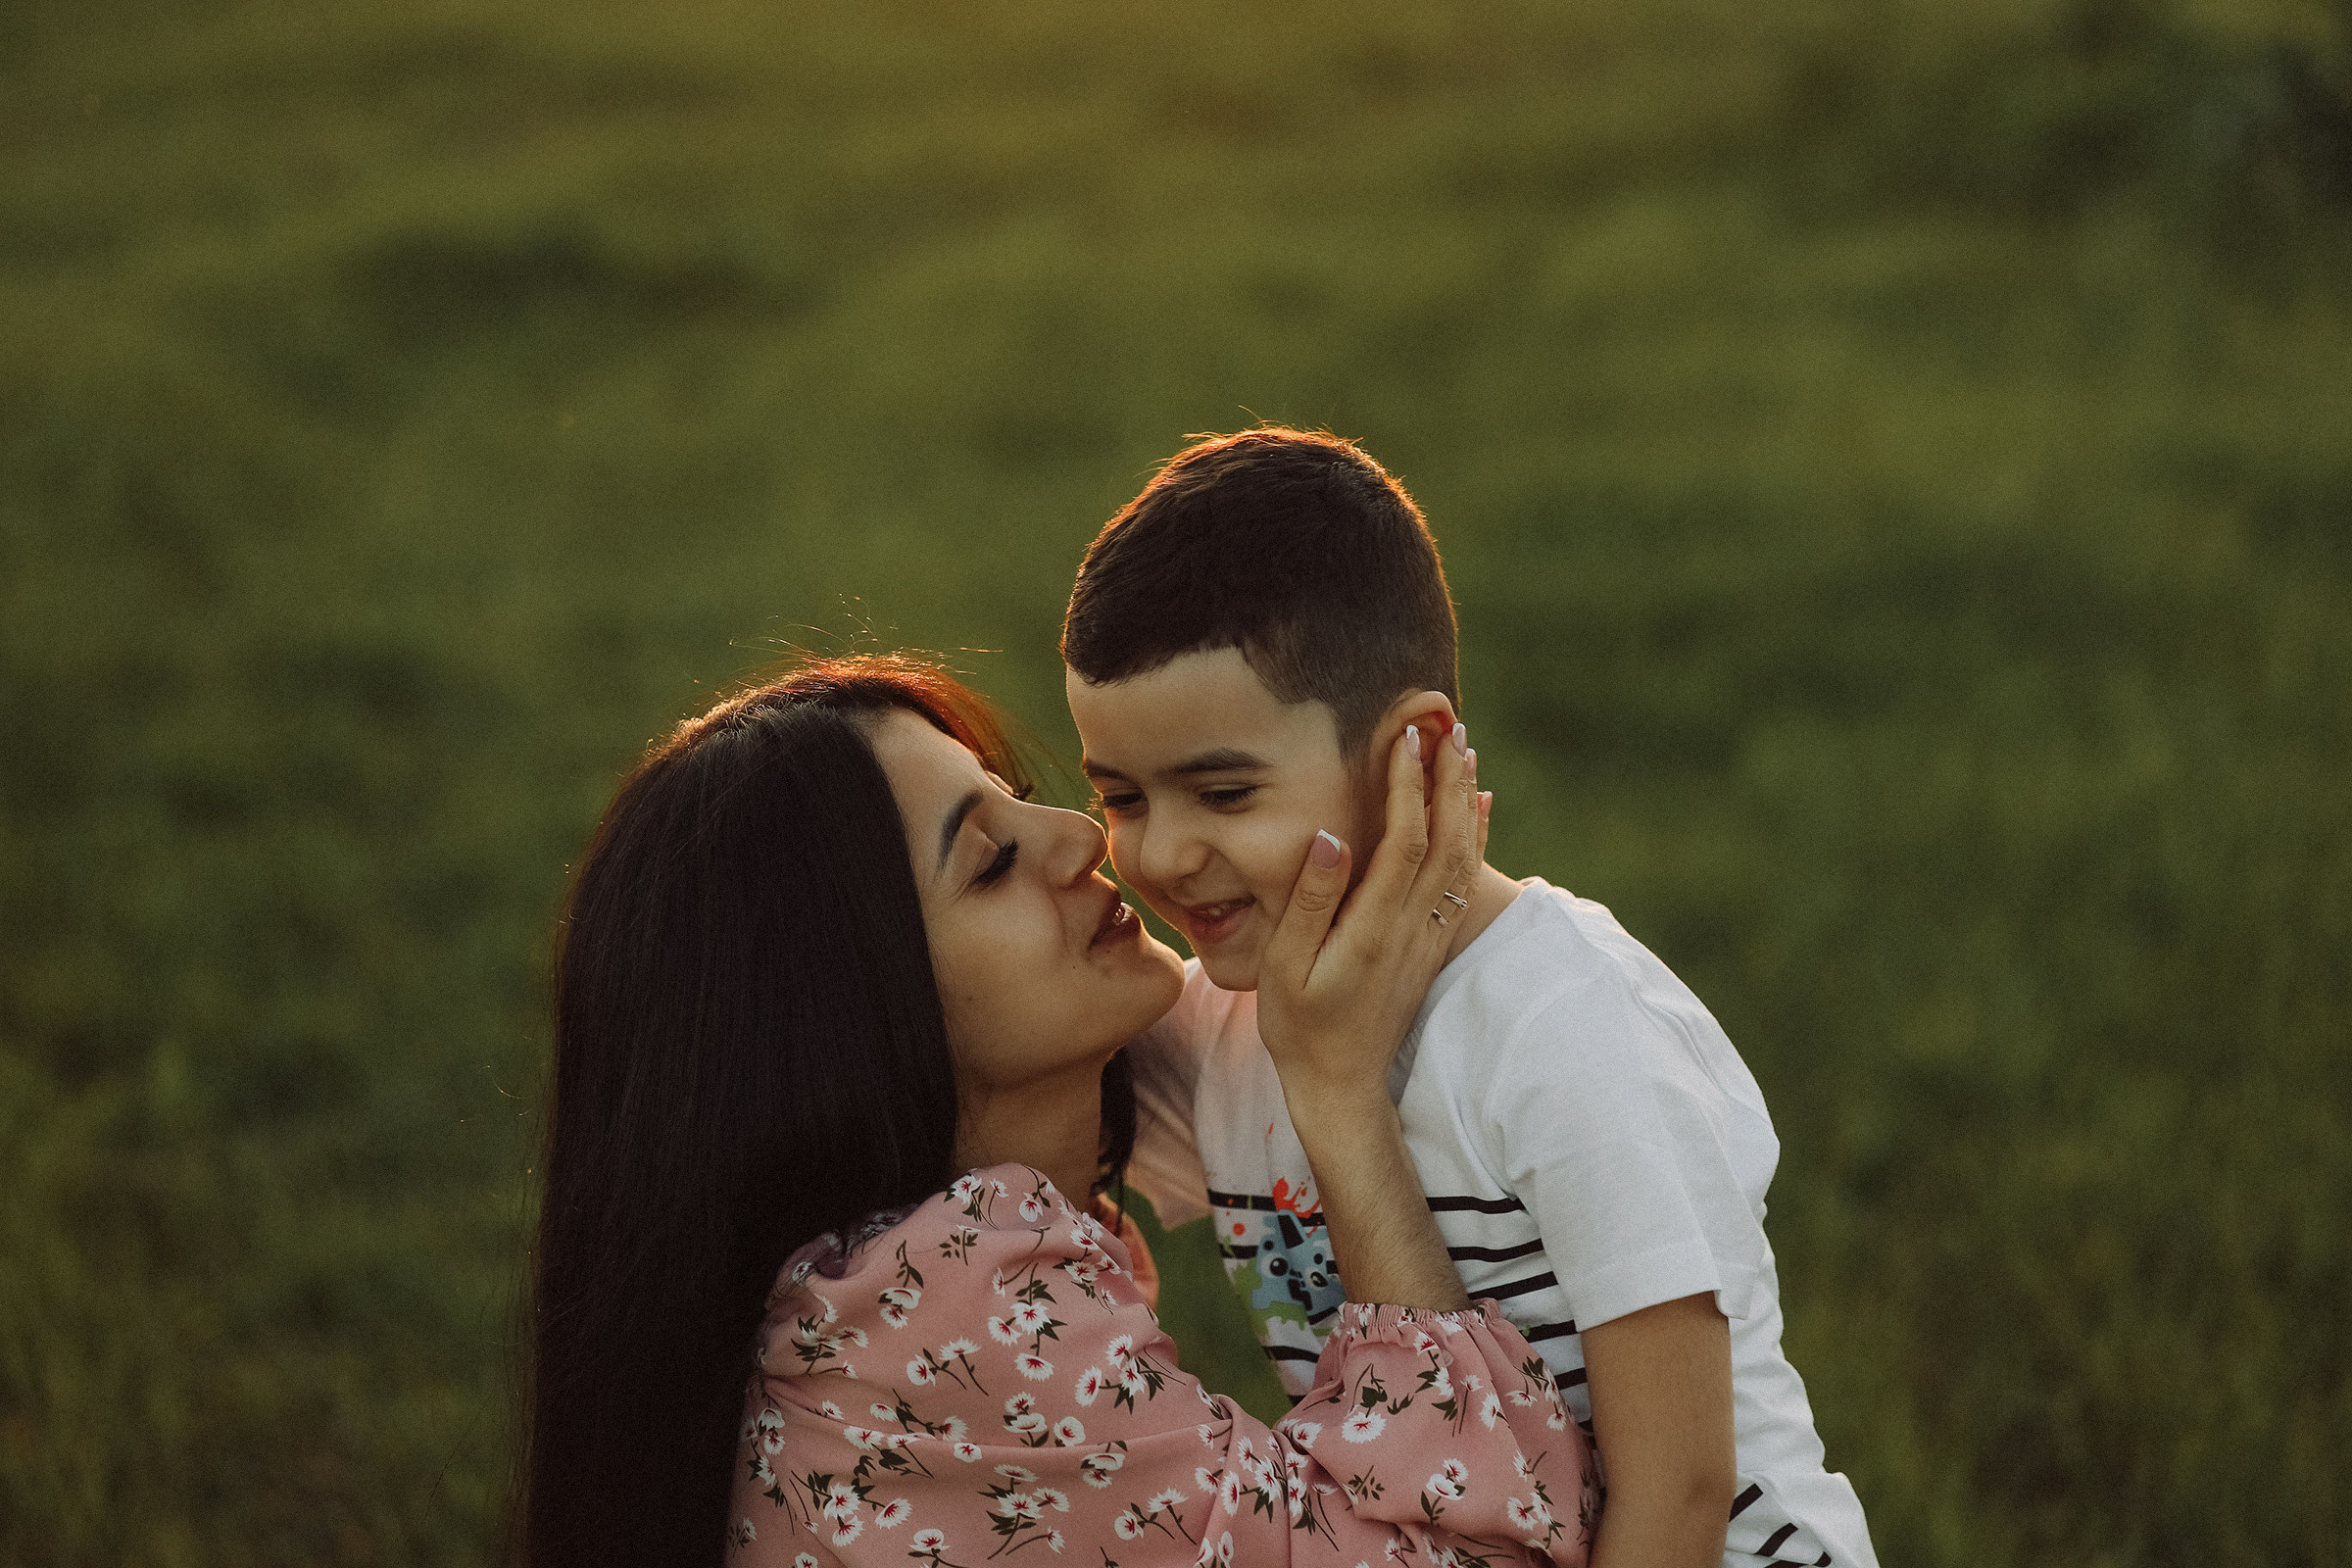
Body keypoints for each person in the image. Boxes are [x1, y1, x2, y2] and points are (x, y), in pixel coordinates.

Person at [521, 654, 1598, 1568]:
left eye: (1020, 793)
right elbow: (1480, 1550)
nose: (1080, 836)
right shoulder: (947, 1309)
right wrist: (1337, 1088)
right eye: (992, 861)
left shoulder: (859, 1313)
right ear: (853, 1014)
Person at [1060, 429, 1880, 1568]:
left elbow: (1684, 1488)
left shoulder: (1565, 1022)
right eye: (1122, 798)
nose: (1163, 854)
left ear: (1414, 749)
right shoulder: (1224, 1035)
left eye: (1224, 792)